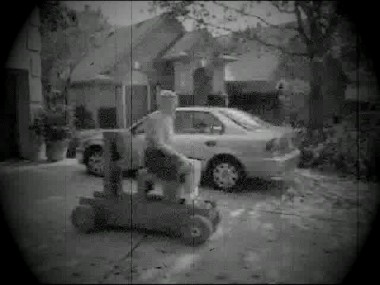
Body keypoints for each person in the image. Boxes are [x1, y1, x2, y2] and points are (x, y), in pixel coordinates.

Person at [142, 90, 199, 202]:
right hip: (155, 157)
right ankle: (187, 198)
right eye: (173, 103)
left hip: (163, 155)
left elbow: (168, 142)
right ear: (164, 103)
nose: (175, 106)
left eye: (175, 103)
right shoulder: (156, 118)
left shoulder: (167, 118)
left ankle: (188, 196)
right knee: (189, 166)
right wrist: (179, 156)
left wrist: (178, 155)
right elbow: (159, 144)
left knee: (195, 164)